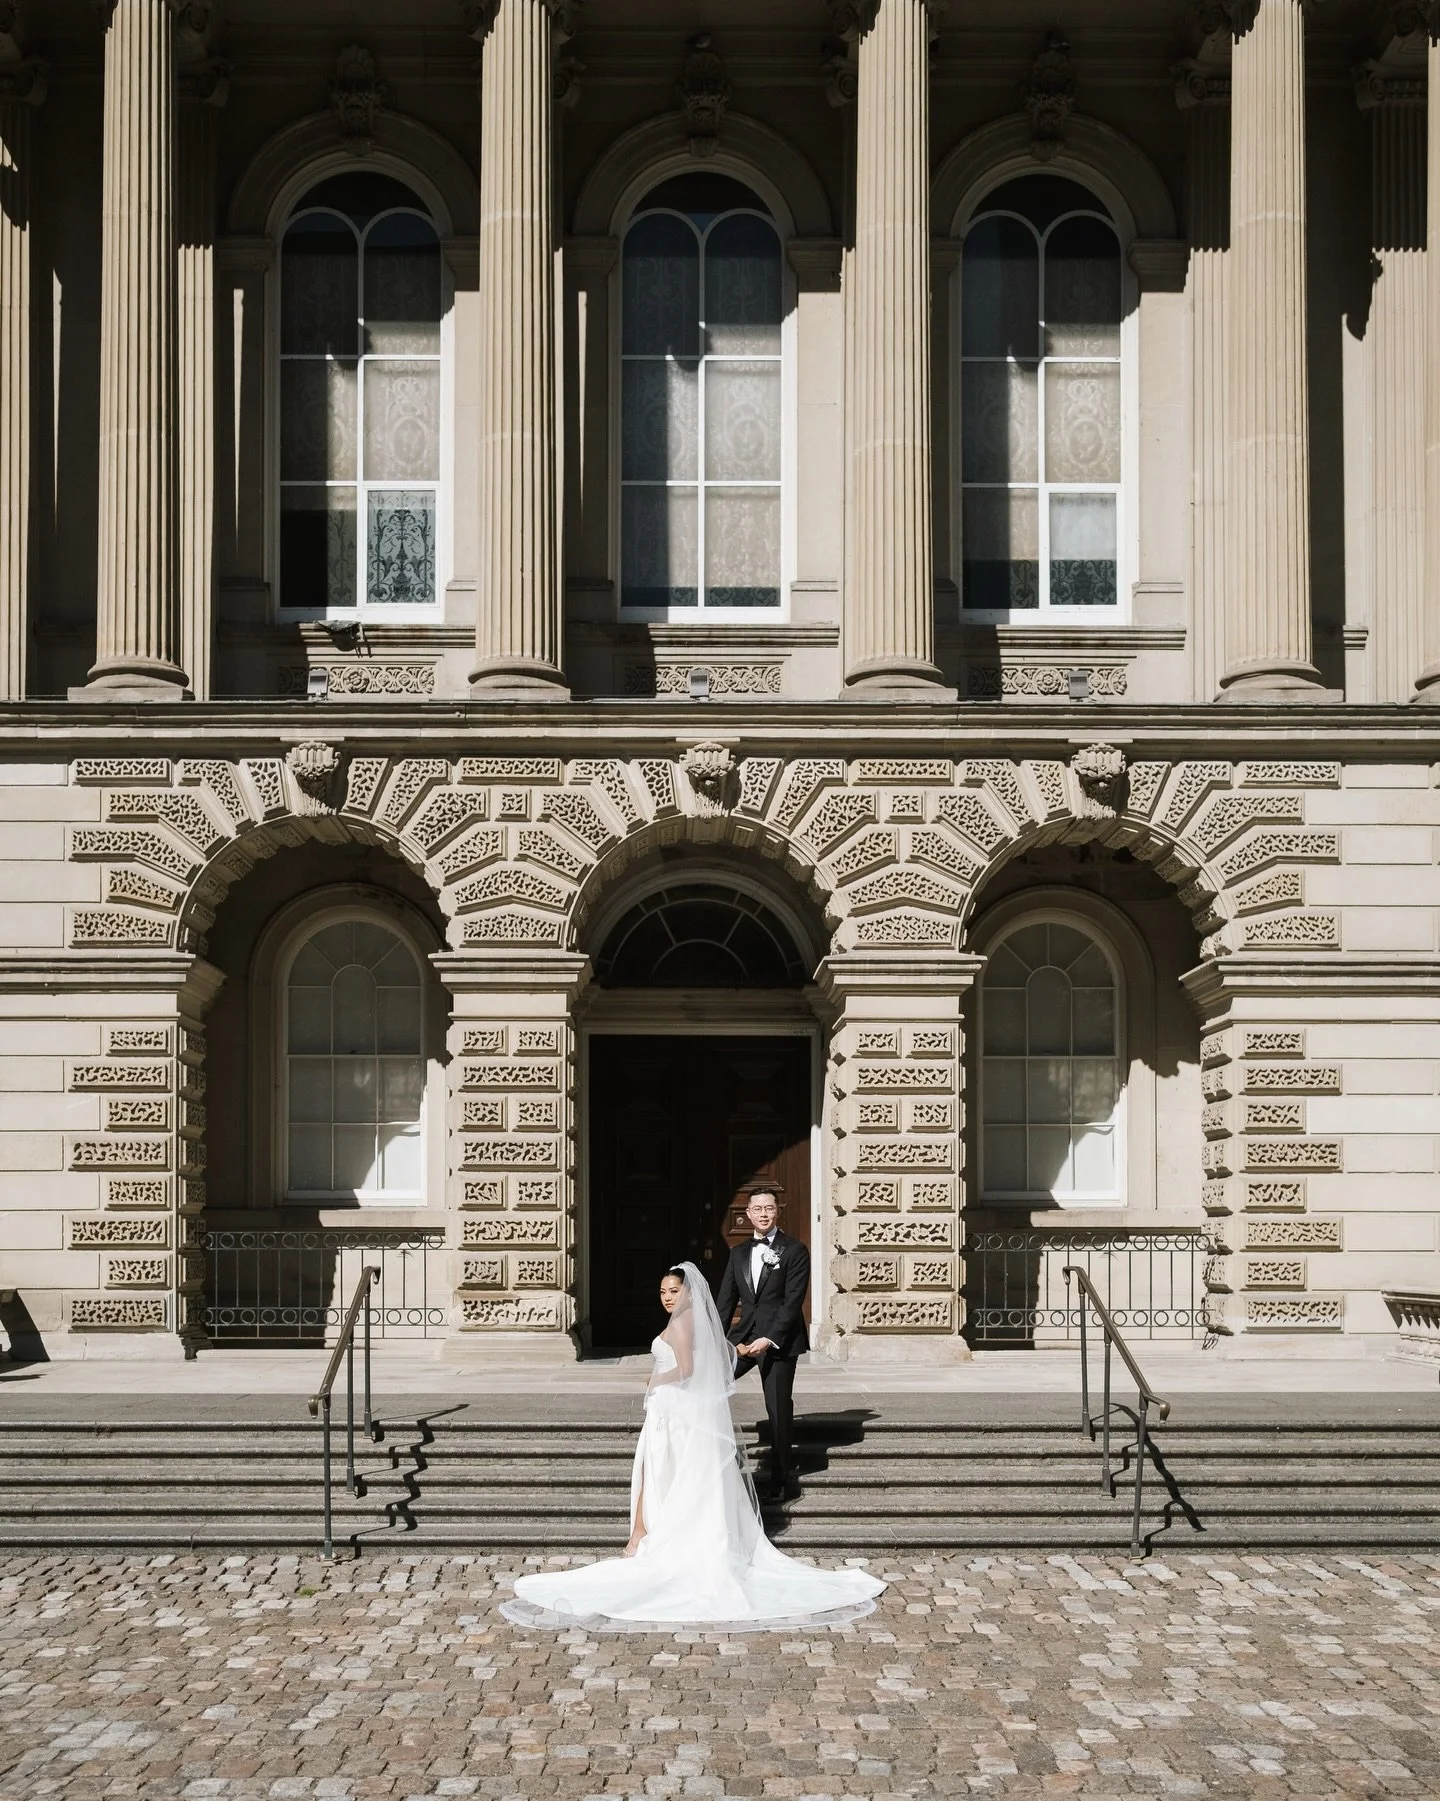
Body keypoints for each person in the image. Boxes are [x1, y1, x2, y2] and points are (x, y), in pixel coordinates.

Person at [501, 1263, 884, 1630]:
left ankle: (641, 1535)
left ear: (688, 1292)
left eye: (674, 1291)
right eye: (663, 1292)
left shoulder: (682, 1324)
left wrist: (653, 1381)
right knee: (672, 1473)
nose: (668, 1297)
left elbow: (685, 1369)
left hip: (674, 1410)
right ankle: (645, 1532)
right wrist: (741, 1352)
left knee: (660, 1470)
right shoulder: (691, 1322)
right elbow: (714, 1355)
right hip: (678, 1410)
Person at [715, 1186, 808, 1499]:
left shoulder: (794, 1250)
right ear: (749, 1213)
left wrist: (770, 1338)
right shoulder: (739, 1253)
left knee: (778, 1408)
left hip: (779, 1341)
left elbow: (793, 1301)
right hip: (744, 1338)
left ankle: (783, 1481)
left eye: (769, 1208)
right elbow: (726, 1301)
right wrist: (715, 1340)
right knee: (709, 1384)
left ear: (776, 1211)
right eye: (758, 1209)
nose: (764, 1214)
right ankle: (713, 1462)